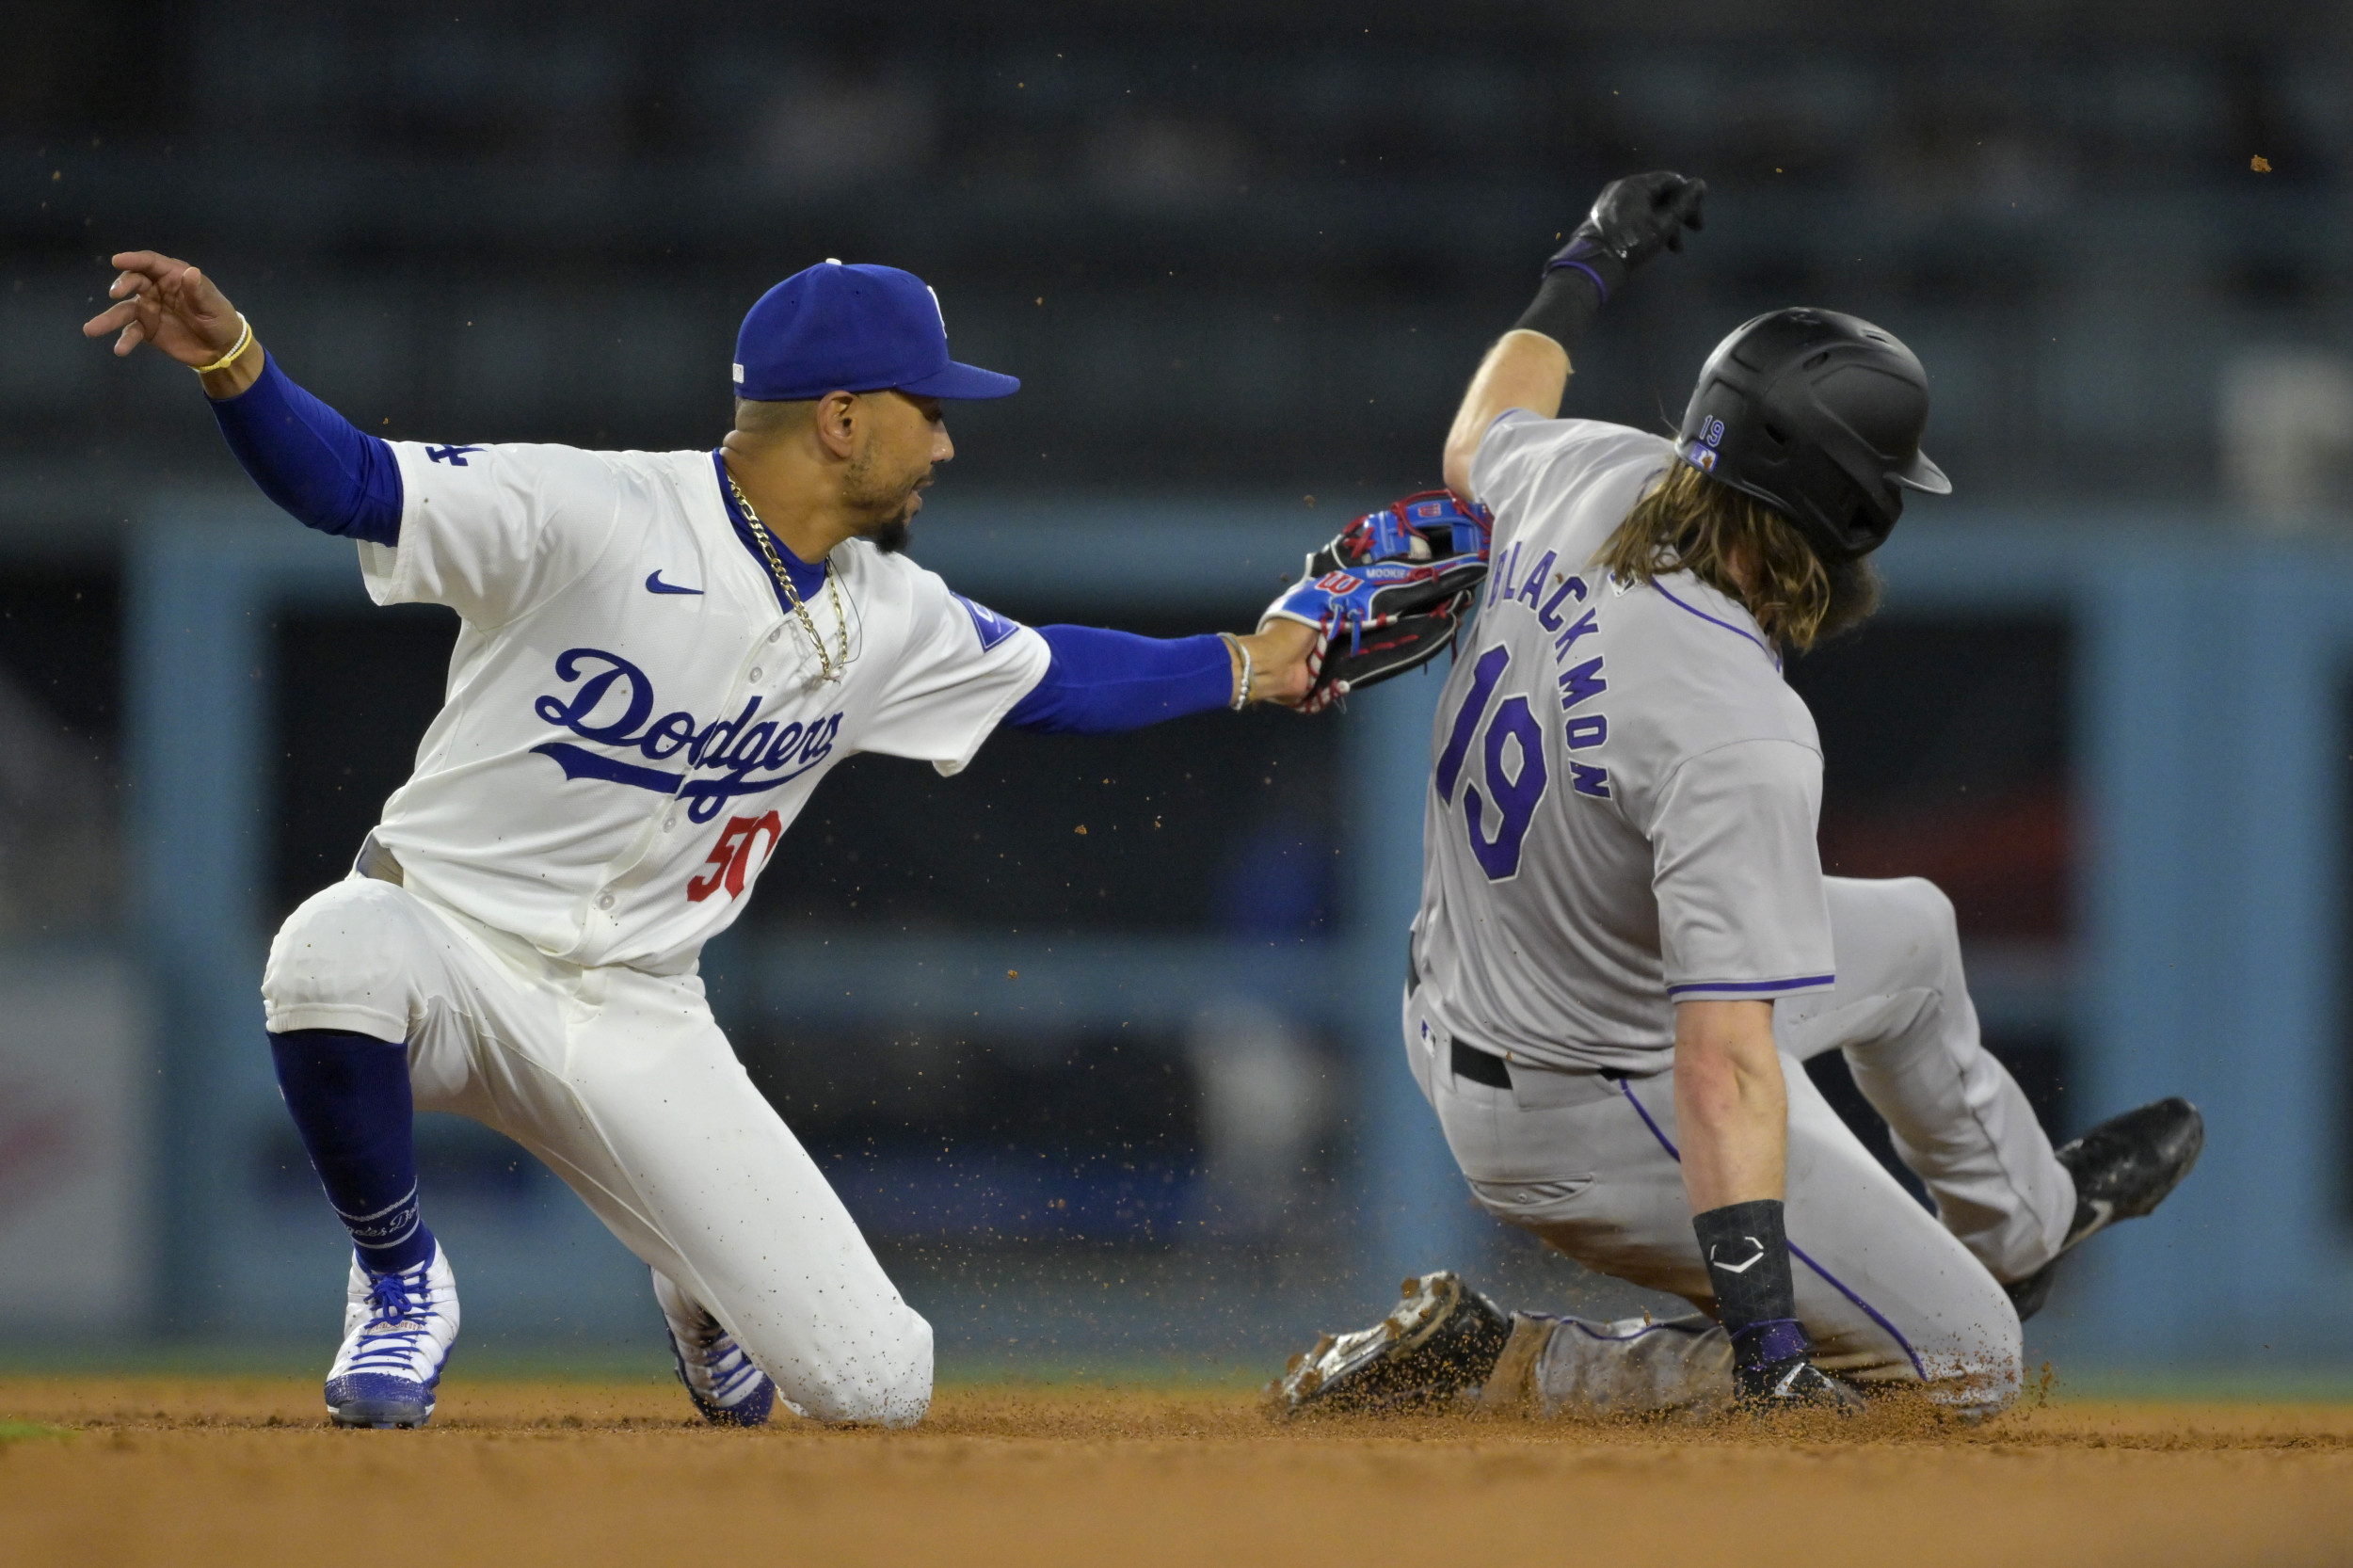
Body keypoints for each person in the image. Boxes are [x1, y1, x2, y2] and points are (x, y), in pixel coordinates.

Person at [85, 251, 1334, 1430]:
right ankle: (401, 1280)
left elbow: (1063, 678)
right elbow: (351, 481)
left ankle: (698, 1285)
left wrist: (1249, 665)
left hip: (640, 1013)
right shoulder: (597, 510)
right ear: (840, 419)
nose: (946, 440)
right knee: (326, 949)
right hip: (445, 948)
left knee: (881, 1385)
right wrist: (234, 359)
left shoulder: (887, 613)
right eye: (929, 408)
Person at [1269, 174, 2203, 1420]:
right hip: (1581, 1103)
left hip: (1478, 991)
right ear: (1846, 514)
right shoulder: (1734, 723)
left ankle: (2024, 1224)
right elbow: (1724, 1070)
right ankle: (1511, 1360)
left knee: (1913, 933)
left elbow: (1478, 427)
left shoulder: (1591, 473)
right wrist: (1768, 1347)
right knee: (1968, 1364)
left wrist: (1588, 260)